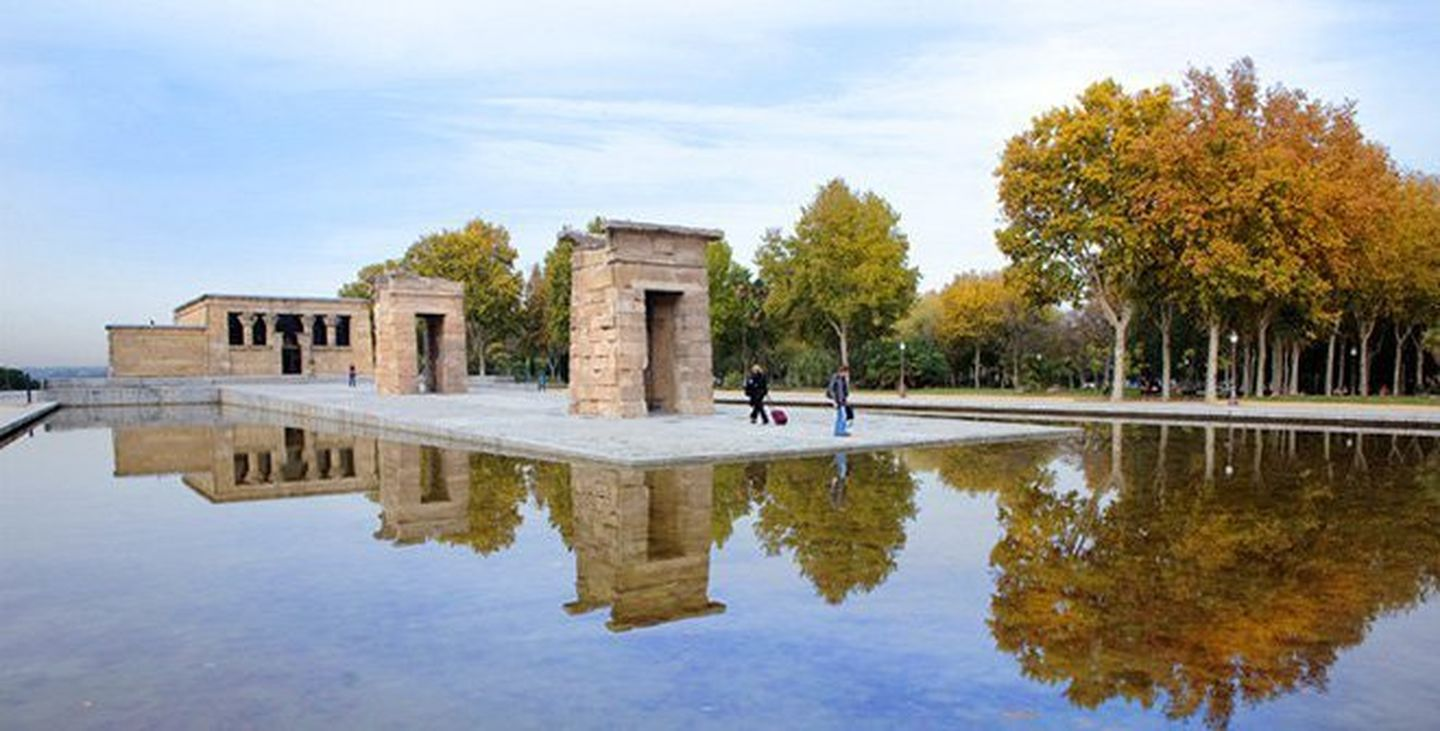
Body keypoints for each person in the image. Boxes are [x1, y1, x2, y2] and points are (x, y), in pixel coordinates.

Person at [825, 365, 851, 437]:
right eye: (845, 373)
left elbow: (845, 391)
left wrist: (846, 398)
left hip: (842, 401)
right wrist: (834, 400)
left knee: (842, 416)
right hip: (837, 400)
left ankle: (840, 430)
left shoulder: (843, 379)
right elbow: (830, 389)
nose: (846, 375)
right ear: (842, 371)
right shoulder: (835, 378)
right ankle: (839, 431)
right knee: (841, 416)